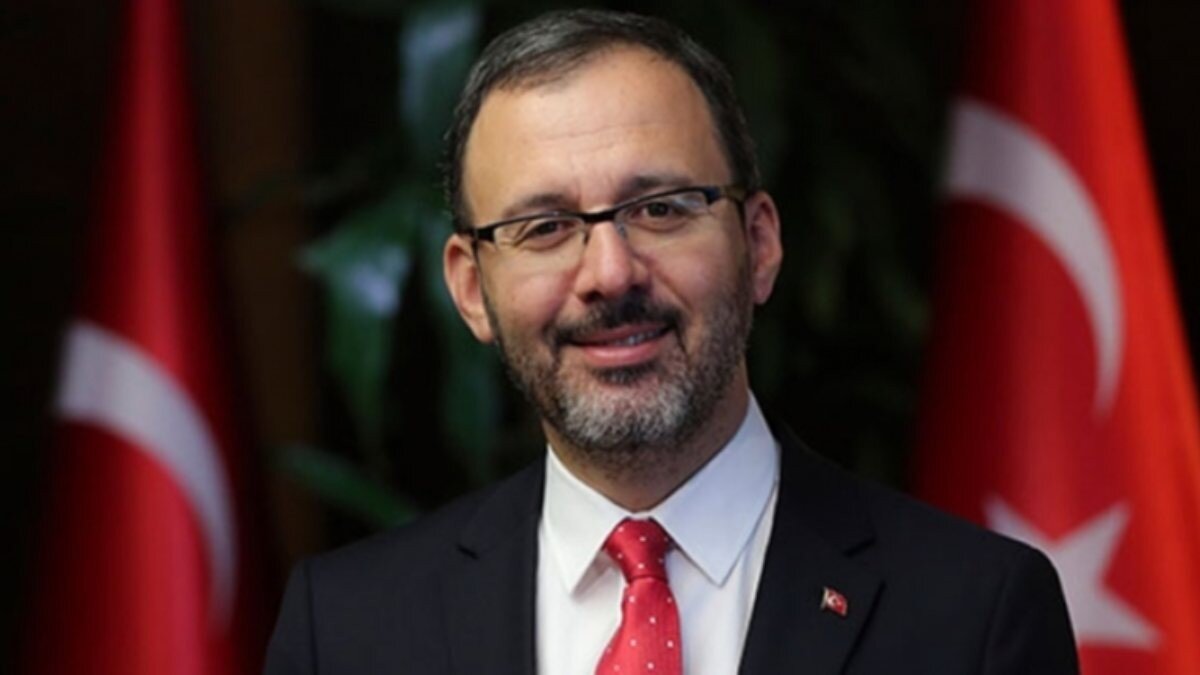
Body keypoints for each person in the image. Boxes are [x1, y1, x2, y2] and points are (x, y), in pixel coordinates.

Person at [264, 9, 1078, 674]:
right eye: (544, 227)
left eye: (660, 209)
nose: (610, 272)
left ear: (759, 244)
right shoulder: (347, 632)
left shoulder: (974, 617)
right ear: (472, 289)